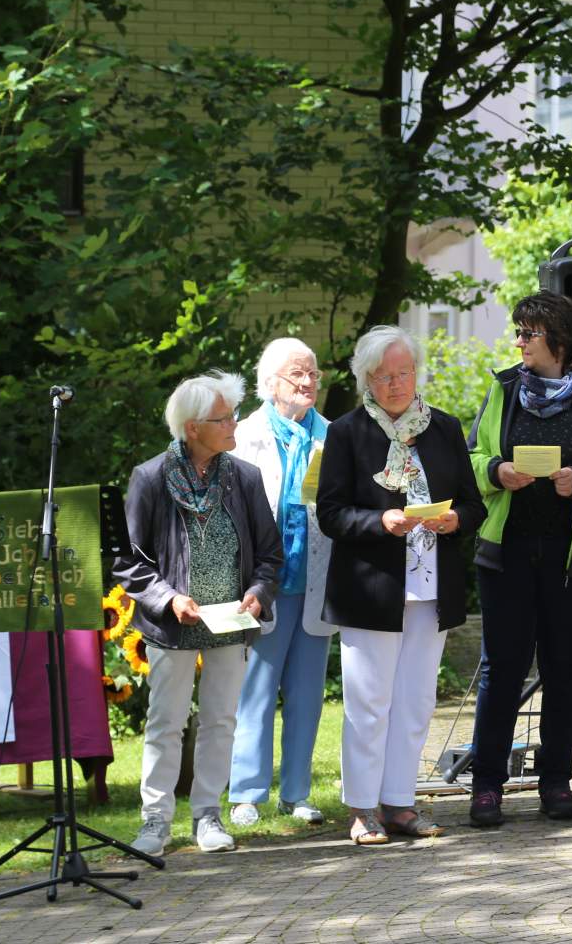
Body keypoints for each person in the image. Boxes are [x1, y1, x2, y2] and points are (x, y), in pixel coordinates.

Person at [464, 293, 572, 826]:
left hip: (571, 555)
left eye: (528, 333)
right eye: (518, 331)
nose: (518, 341)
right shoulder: (505, 387)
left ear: (560, 340)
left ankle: (555, 781)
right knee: (501, 670)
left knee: (563, 670)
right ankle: (486, 785)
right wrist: (495, 472)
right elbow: (467, 459)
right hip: (507, 550)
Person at [317, 326, 486, 844]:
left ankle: (401, 803)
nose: (396, 384)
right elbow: (331, 513)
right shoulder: (347, 432)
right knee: (369, 702)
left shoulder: (445, 428)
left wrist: (455, 519)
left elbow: (474, 504)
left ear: (416, 373)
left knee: (415, 702)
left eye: (404, 373)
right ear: (367, 378)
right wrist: (381, 523)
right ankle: (363, 807)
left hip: (431, 588)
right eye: (384, 376)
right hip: (372, 587)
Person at [116, 371, 283, 857]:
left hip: (231, 623)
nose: (234, 424)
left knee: (220, 720)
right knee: (165, 722)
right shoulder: (150, 478)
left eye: (233, 414)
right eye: (223, 417)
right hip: (173, 626)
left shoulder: (244, 477)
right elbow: (128, 558)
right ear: (192, 427)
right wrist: (169, 599)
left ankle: (207, 814)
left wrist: (257, 592)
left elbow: (270, 554)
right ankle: (155, 821)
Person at [226, 339, 339, 829]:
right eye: (298, 375)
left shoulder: (334, 436)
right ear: (271, 383)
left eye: (313, 374)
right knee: (256, 690)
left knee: (307, 692)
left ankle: (296, 792)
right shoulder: (245, 435)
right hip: (264, 585)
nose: (309, 382)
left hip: (315, 580)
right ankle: (247, 792)